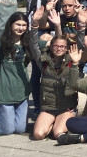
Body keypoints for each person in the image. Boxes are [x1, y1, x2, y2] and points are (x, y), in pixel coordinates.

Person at [0, 9, 38, 135]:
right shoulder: (1, 43)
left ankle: (2, 117)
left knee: (20, 129)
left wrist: (57, 25)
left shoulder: (28, 43)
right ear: (10, 25)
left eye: (24, 25)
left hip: (21, 92)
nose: (21, 28)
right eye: (18, 24)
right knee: (6, 130)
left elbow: (52, 43)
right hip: (3, 92)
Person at [31, 9, 82, 140]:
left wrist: (81, 26)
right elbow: (33, 45)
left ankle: (63, 120)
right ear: (51, 46)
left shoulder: (71, 61)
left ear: (67, 49)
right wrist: (34, 24)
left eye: (63, 47)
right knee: (37, 135)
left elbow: (81, 44)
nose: (59, 49)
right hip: (48, 108)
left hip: (66, 108)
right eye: (56, 46)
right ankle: (52, 121)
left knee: (57, 133)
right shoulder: (43, 61)